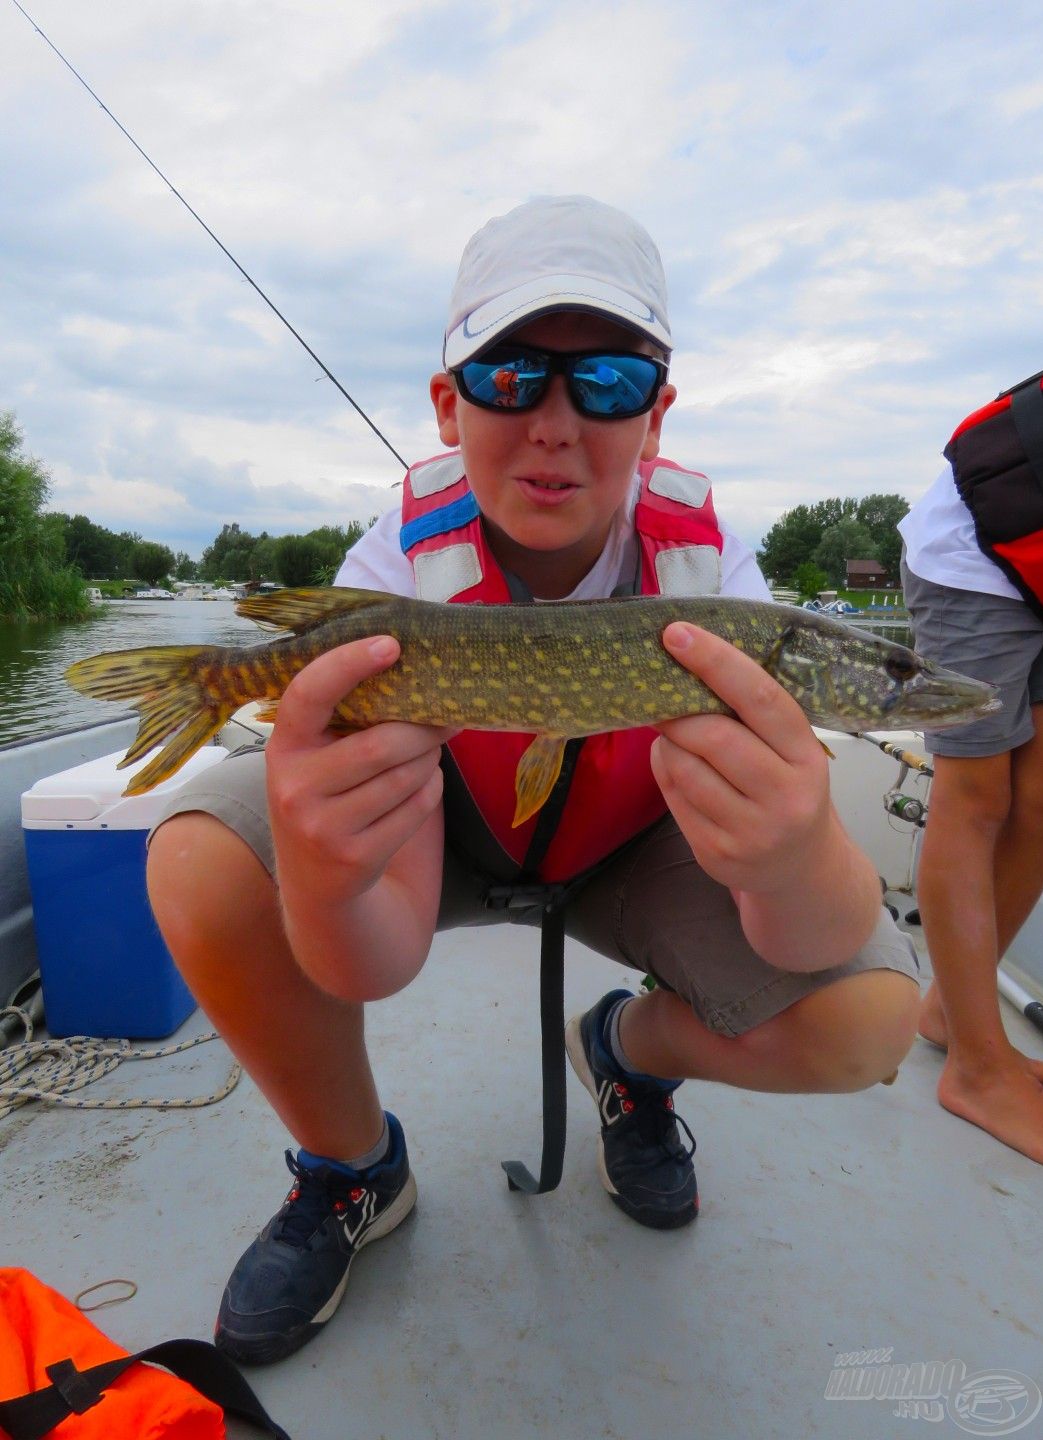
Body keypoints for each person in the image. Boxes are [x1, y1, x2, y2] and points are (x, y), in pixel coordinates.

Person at [146, 194, 920, 1366]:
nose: (556, 423)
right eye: (512, 376)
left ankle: (628, 1053)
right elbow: (376, 959)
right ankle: (355, 1170)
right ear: (449, 404)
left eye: (606, 383)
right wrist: (316, 862)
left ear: (656, 418)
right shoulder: (399, 564)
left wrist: (796, 850)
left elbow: (818, 933)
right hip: (444, 829)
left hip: (632, 843)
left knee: (871, 1015)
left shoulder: (720, 580)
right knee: (199, 854)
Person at [899, 377, 1043, 1168]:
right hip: (977, 557)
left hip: (1041, 563)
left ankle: (949, 1016)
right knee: (977, 794)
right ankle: (977, 1071)